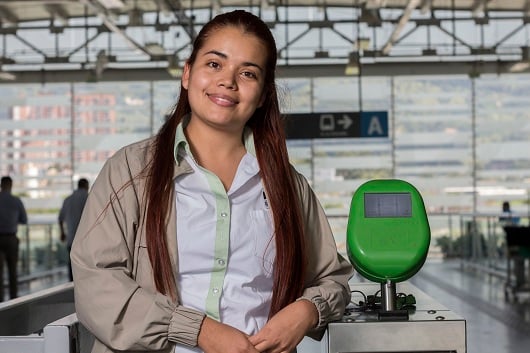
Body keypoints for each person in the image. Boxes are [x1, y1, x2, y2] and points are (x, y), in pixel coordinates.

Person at [71, 10, 353, 353]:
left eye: (248, 73)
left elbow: (332, 278)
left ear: (263, 94)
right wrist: (198, 330)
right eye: (214, 64)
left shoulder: (287, 186)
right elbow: (95, 281)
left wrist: (307, 311)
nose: (228, 81)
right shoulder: (130, 171)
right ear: (188, 74)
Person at [0, 176, 27, 301]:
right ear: (10, 185)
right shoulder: (16, 201)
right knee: (12, 271)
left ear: (1, 185)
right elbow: (24, 220)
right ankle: (13, 299)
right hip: (11, 239)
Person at [58, 178, 89, 281]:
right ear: (86, 186)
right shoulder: (88, 197)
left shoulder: (67, 200)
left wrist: (62, 232)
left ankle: (72, 288)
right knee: (85, 266)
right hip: (85, 239)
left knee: (71, 264)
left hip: (71, 238)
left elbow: (60, 218)